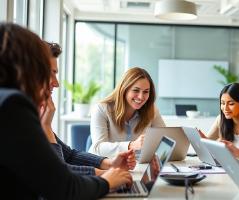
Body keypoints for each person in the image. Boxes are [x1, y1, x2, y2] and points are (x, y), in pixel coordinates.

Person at [0, 23, 132, 199]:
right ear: (26, 67)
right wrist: (107, 181)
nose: (56, 82)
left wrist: (107, 165)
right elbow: (63, 186)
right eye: (47, 71)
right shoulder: (12, 106)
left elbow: (67, 155)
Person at [40, 41, 136, 175]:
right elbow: (59, 174)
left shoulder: (37, 115)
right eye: (51, 73)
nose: (56, 83)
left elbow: (70, 156)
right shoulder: (21, 120)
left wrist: (110, 163)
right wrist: (107, 174)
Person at [89, 67, 165, 157]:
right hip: (104, 166)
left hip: (136, 166)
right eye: (136, 90)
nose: (141, 97)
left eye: (146, 92)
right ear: (124, 89)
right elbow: (98, 148)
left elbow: (165, 140)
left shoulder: (151, 110)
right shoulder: (101, 109)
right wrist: (131, 145)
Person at [200, 83, 239, 147]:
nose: (225, 108)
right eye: (223, 103)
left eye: (231, 104)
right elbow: (206, 143)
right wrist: (200, 138)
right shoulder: (221, 119)